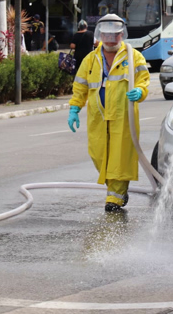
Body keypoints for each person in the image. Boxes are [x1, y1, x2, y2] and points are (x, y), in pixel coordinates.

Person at [67, 14, 150, 212]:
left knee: (120, 158)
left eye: (115, 35)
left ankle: (115, 197)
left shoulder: (133, 56)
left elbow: (144, 79)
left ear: (122, 35)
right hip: (98, 117)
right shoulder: (91, 59)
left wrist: (140, 91)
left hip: (123, 117)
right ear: (100, 35)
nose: (111, 39)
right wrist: (74, 108)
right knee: (99, 155)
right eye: (107, 35)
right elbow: (80, 86)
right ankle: (114, 190)